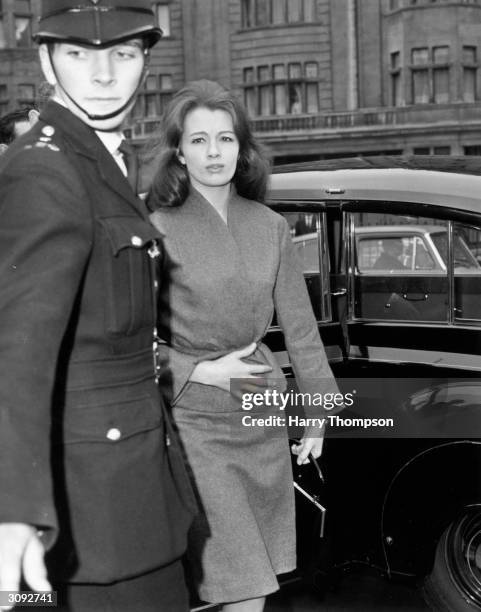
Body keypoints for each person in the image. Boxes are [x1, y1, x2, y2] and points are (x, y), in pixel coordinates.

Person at [0, 2, 195, 611]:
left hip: (127, 493)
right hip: (88, 514)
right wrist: (15, 511)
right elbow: (18, 348)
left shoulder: (103, 157)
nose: (104, 75)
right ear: (46, 61)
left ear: (144, 62)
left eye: (124, 55)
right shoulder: (44, 168)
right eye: (79, 55)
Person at [148, 80, 340, 612]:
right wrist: (195, 370)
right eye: (199, 140)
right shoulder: (154, 229)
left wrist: (319, 412)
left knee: (249, 583)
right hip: (194, 422)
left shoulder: (271, 227)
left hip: (260, 413)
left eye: (226, 139)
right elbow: (126, 338)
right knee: (239, 580)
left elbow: (301, 330)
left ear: (243, 148)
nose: (214, 152)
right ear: (179, 154)